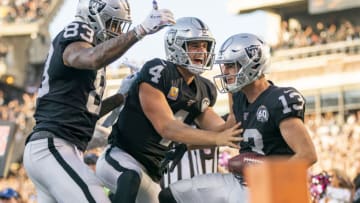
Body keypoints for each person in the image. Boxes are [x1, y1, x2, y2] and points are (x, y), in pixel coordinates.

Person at [22, 0, 175, 202]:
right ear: (94, 15)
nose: (118, 31)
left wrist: (121, 96)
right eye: (113, 23)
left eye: (121, 25)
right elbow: (91, 57)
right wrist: (140, 30)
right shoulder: (78, 30)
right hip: (53, 146)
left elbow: (87, 113)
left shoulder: (90, 58)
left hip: (58, 148)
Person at [95, 17, 243, 203]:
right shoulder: (159, 71)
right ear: (176, 46)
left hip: (151, 174)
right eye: (194, 45)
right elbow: (166, 128)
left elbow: (224, 130)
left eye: (205, 46)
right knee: (129, 177)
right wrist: (216, 139)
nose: (202, 51)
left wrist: (234, 90)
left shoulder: (203, 89)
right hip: (121, 157)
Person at [158, 33, 318, 203]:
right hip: (240, 183)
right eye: (224, 66)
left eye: (230, 66)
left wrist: (266, 171)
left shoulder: (279, 100)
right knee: (170, 196)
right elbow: (228, 133)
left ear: (252, 64)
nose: (224, 72)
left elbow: (308, 155)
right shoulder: (238, 98)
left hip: (275, 187)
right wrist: (182, 146)